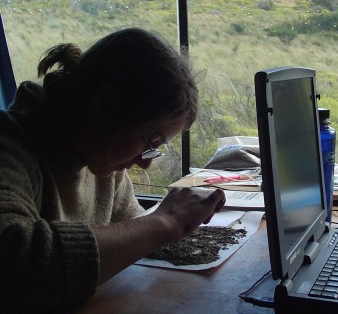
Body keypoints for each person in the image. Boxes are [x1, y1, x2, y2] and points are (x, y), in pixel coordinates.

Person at [0, 28, 226, 313]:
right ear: (104, 104)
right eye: (151, 141)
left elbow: (129, 231)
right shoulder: (9, 150)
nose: (146, 163)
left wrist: (180, 221)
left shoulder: (101, 155)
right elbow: (14, 269)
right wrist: (166, 221)